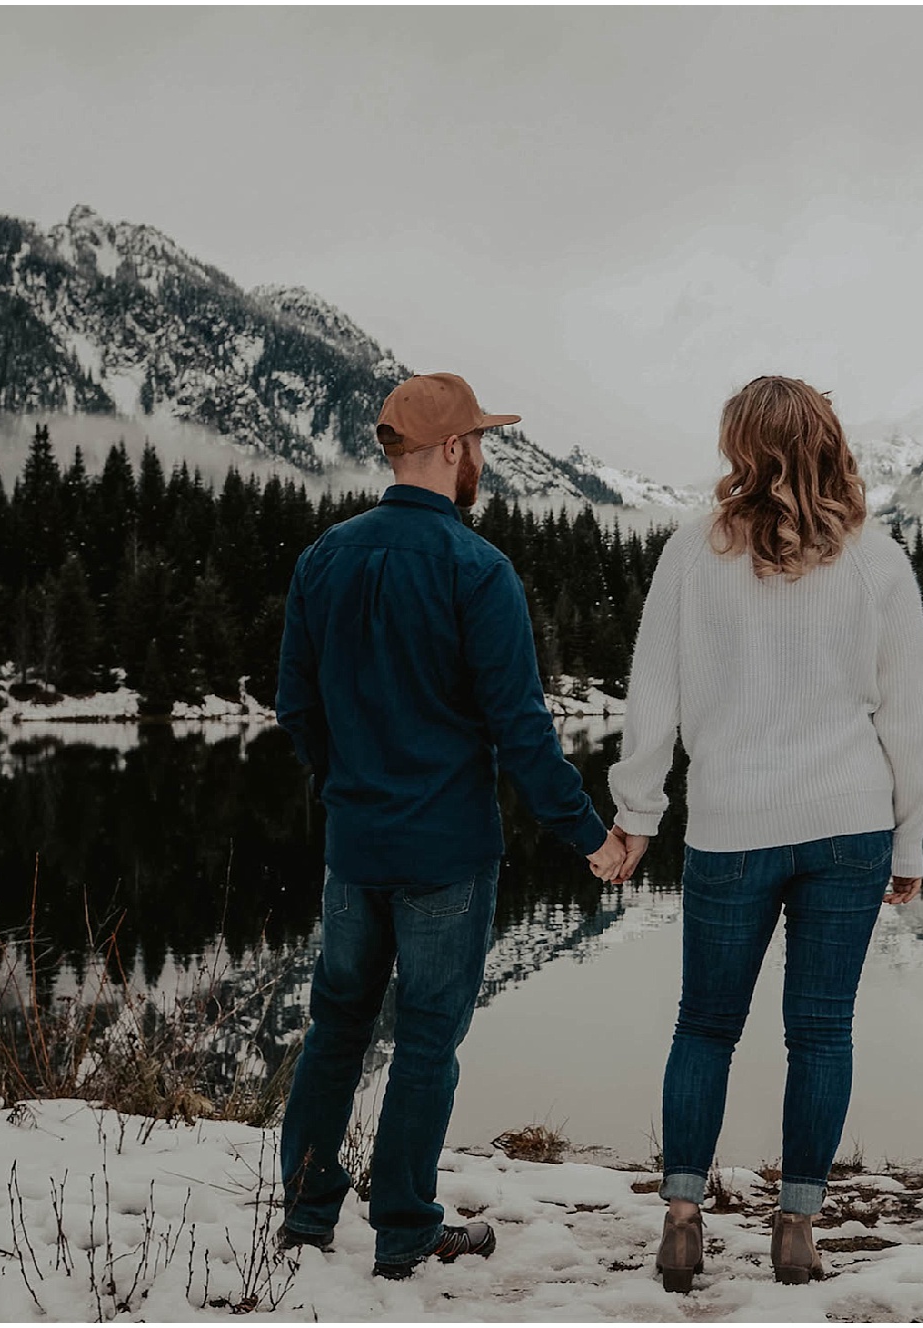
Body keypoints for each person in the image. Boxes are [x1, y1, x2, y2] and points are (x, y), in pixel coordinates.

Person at [273, 372, 629, 1280]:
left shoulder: (324, 558)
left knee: (337, 1028)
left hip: (355, 848)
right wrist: (593, 838)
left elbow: (297, 710)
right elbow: (521, 732)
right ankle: (402, 1228)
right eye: (479, 444)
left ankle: (309, 1214)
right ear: (450, 452)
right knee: (428, 1038)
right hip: (447, 853)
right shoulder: (479, 570)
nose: (484, 459)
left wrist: (349, 786)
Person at [606, 375, 923, 1291]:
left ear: (739, 447)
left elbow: (653, 701)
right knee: (821, 1033)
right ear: (827, 441)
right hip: (849, 824)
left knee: (705, 1026)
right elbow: (909, 721)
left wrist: (638, 814)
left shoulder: (690, 553)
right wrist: (909, 841)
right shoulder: (877, 560)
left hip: (732, 824)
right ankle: (797, 1225)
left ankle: (681, 1218)